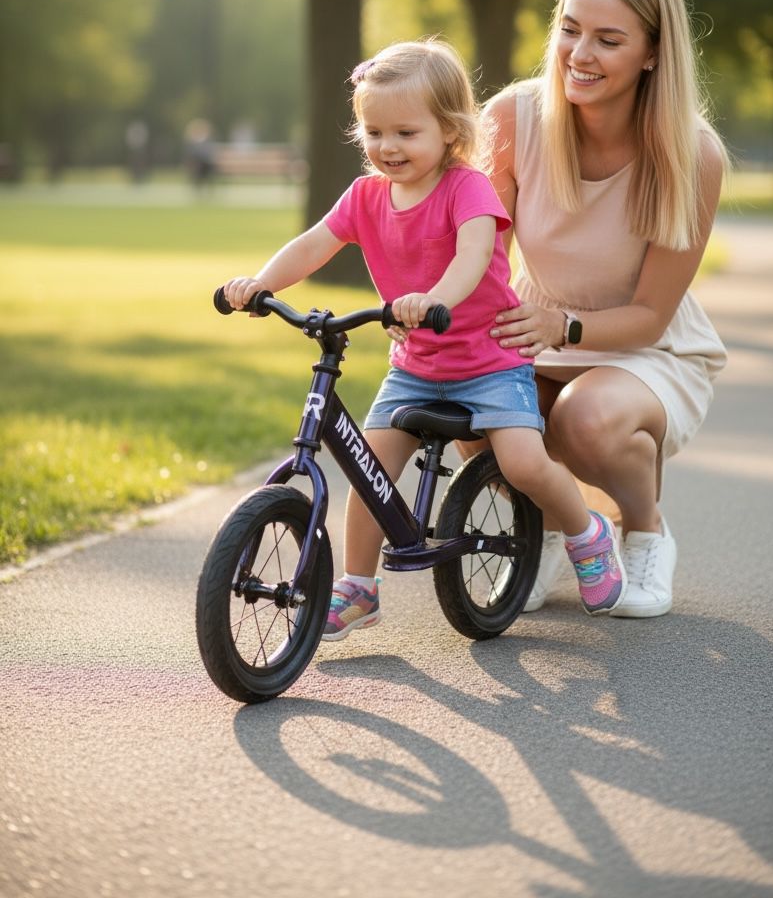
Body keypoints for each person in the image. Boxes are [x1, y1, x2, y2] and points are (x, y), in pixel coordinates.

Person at [223, 39, 629, 640]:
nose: (387, 147)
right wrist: (261, 283)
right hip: (416, 365)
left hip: (490, 361)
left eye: (406, 133)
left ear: (450, 131)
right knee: (368, 471)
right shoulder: (365, 196)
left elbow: (474, 254)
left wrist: (434, 298)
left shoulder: (467, 188)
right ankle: (358, 588)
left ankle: (585, 533)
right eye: (374, 132)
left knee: (522, 463)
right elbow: (314, 243)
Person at [483, 0, 728, 618]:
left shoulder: (693, 154)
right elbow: (479, 253)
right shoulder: (511, 119)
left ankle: (645, 533)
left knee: (583, 420)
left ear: (652, 52)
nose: (579, 54)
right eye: (570, 29)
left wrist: (562, 327)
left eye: (608, 40)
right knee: (472, 407)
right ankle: (550, 531)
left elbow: (650, 314)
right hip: (535, 328)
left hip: (645, 348)